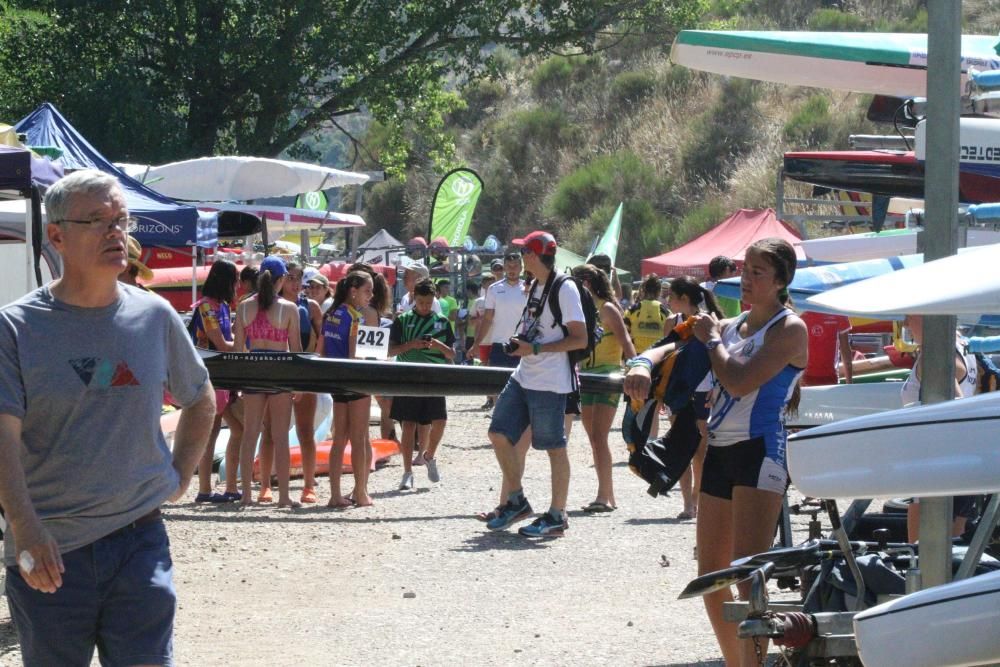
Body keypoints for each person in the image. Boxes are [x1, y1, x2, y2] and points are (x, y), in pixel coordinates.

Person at [0, 169, 216, 665]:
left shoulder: (155, 316)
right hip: (52, 549)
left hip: (140, 540)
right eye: (96, 220)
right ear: (56, 236)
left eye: (121, 219)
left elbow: (201, 399)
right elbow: (3, 440)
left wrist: (179, 476)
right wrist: (27, 530)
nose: (115, 232)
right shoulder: (15, 328)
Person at [626, 237, 807, 665]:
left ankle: (756, 662)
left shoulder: (789, 328)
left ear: (781, 281)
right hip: (721, 452)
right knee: (710, 578)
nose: (745, 280)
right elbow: (673, 344)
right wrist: (641, 364)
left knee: (747, 580)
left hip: (761, 452)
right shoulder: (731, 326)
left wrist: (711, 342)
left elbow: (741, 380)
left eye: (757, 273)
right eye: (744, 271)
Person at [486, 231, 586, 537]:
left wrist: (537, 349)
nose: (519, 258)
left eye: (524, 252)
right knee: (498, 433)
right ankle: (516, 500)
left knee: (554, 447)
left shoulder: (565, 288)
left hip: (551, 381)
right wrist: (523, 344)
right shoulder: (536, 286)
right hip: (524, 373)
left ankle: (557, 514)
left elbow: (579, 338)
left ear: (534, 254)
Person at [899, 314, 979, 542]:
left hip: (934, 465)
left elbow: (956, 408)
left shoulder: (937, 354)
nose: (905, 323)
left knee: (919, 554)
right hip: (961, 465)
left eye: (909, 316)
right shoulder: (963, 345)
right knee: (951, 558)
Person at [233, 255, 302, 508]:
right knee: (281, 436)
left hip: (252, 370)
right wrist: (298, 384)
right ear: (282, 279)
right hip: (280, 370)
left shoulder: (244, 307)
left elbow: (239, 350)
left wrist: (239, 382)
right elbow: (295, 350)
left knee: (250, 433)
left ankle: (246, 495)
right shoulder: (288, 308)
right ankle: (283, 496)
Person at [572, 264, 635, 512]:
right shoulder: (581, 309)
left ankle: (604, 496)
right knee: (594, 439)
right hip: (586, 377)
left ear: (586, 283)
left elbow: (626, 342)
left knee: (600, 436)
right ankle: (606, 493)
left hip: (608, 376)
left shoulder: (607, 308)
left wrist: (638, 370)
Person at [664, 275, 725, 520]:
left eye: (671, 296)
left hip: (703, 389)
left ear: (684, 298)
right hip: (678, 390)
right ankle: (687, 503)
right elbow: (667, 354)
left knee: (700, 451)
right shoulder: (672, 321)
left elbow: (717, 356)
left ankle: (699, 500)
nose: (667, 300)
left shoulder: (709, 321)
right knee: (681, 448)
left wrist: (717, 387)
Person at [388, 278, 456, 489]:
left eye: (428, 302)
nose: (424, 307)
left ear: (434, 299)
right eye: (420, 302)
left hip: (434, 377)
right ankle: (407, 472)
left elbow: (451, 354)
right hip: (408, 377)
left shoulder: (442, 322)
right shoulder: (402, 320)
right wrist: (412, 345)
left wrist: (436, 344)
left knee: (439, 420)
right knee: (408, 425)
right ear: (413, 299)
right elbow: (390, 350)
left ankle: (429, 455)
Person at [191, 258, 245, 504]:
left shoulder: (222, 306)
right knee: (211, 434)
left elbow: (228, 339)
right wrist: (246, 345)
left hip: (226, 376)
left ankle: (230, 486)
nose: (238, 284)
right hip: (210, 376)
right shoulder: (205, 307)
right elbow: (222, 344)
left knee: (239, 428)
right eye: (235, 279)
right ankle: (204, 490)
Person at [322, 271, 377, 508]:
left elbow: (320, 350)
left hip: (335, 380)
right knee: (358, 439)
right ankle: (361, 493)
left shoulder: (330, 314)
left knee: (338, 439)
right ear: (353, 291)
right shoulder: (356, 318)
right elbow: (355, 355)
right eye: (367, 291)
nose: (371, 296)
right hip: (355, 380)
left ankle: (335, 494)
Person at [800, 311, 854, 386]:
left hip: (804, 377)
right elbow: (845, 351)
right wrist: (849, 383)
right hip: (830, 377)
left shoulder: (800, 312)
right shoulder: (838, 311)